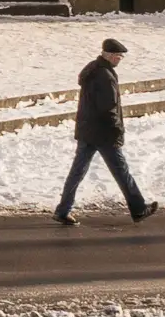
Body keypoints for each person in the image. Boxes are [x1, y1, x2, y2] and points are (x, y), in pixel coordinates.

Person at [54, 37, 156, 225]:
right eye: (118, 56)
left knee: (77, 172)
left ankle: (63, 210)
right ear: (108, 55)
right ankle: (139, 208)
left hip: (87, 131)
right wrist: (117, 131)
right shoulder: (106, 76)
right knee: (121, 171)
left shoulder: (92, 69)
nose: (119, 59)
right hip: (103, 133)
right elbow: (109, 108)